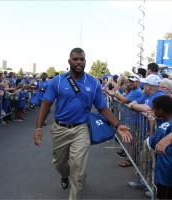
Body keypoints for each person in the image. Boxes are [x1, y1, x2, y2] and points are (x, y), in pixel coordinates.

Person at [33, 48, 132, 200]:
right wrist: (38, 128)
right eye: (75, 59)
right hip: (60, 129)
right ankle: (65, 175)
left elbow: (103, 108)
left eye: (82, 59)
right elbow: (46, 104)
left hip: (81, 129)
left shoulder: (93, 83)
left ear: (85, 61)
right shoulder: (58, 81)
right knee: (59, 164)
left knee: (78, 172)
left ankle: (75, 188)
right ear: (69, 61)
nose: (79, 62)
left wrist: (118, 125)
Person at [146, 95, 172, 199]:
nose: (152, 111)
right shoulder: (165, 122)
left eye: (154, 109)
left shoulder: (164, 126)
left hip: (165, 171)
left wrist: (152, 125)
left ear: (161, 110)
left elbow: (152, 143)